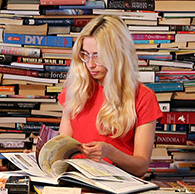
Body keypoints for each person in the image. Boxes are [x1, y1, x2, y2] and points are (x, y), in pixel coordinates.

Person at [59, 15, 163, 177]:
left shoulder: (143, 97)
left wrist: (110, 152)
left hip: (117, 186)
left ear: (117, 55)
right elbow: (62, 147)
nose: (90, 64)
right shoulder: (76, 89)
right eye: (85, 54)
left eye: (98, 56)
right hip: (75, 181)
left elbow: (141, 166)